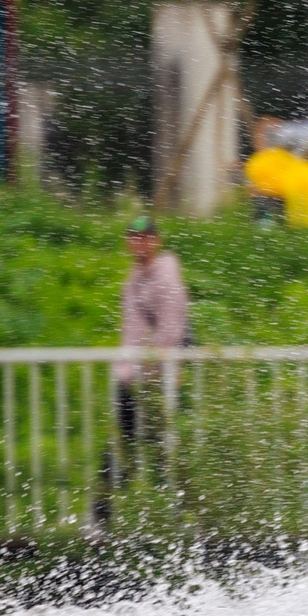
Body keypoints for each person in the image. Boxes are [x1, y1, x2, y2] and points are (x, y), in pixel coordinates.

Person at [101, 215, 188, 525]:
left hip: (154, 380)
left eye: (147, 237)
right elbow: (132, 331)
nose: (140, 242)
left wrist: (152, 373)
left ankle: (175, 517)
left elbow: (171, 331)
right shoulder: (135, 277)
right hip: (132, 377)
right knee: (131, 447)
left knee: (156, 450)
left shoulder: (165, 278)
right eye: (135, 237)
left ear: (157, 241)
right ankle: (109, 517)